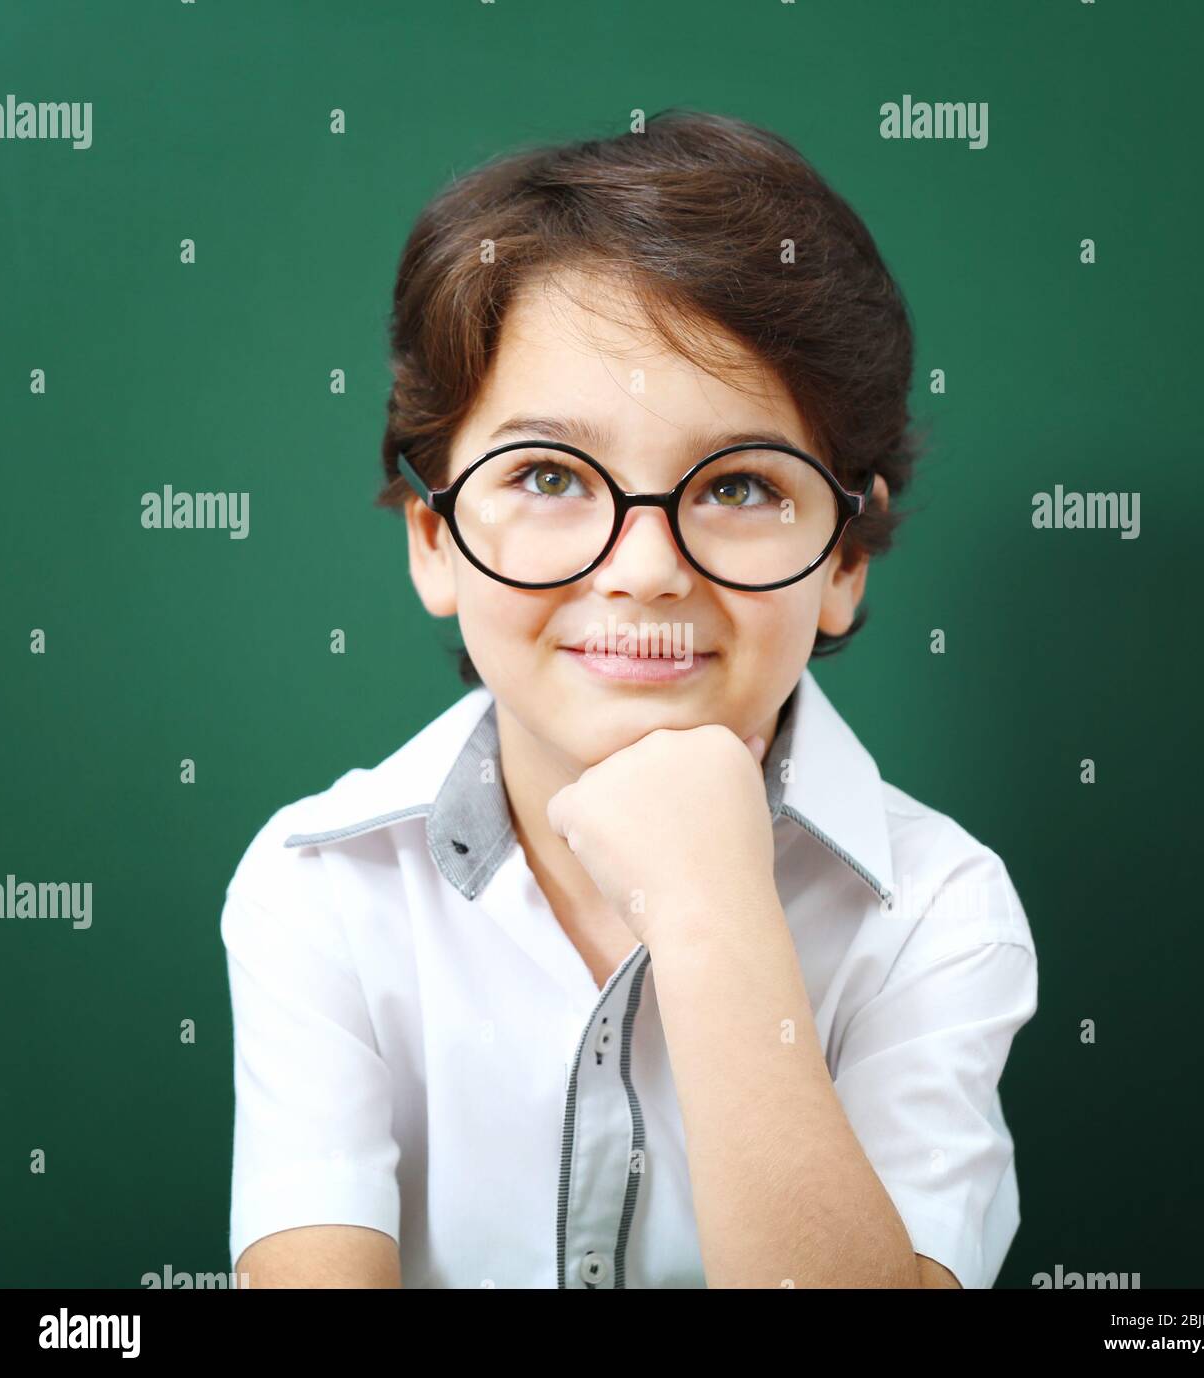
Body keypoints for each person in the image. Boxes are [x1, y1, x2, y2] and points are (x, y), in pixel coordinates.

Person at [222, 109, 1038, 1289]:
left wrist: (713, 913)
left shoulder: (936, 913)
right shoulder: (320, 886)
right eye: (548, 474)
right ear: (435, 540)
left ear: (846, 561)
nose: (645, 563)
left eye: (743, 484)